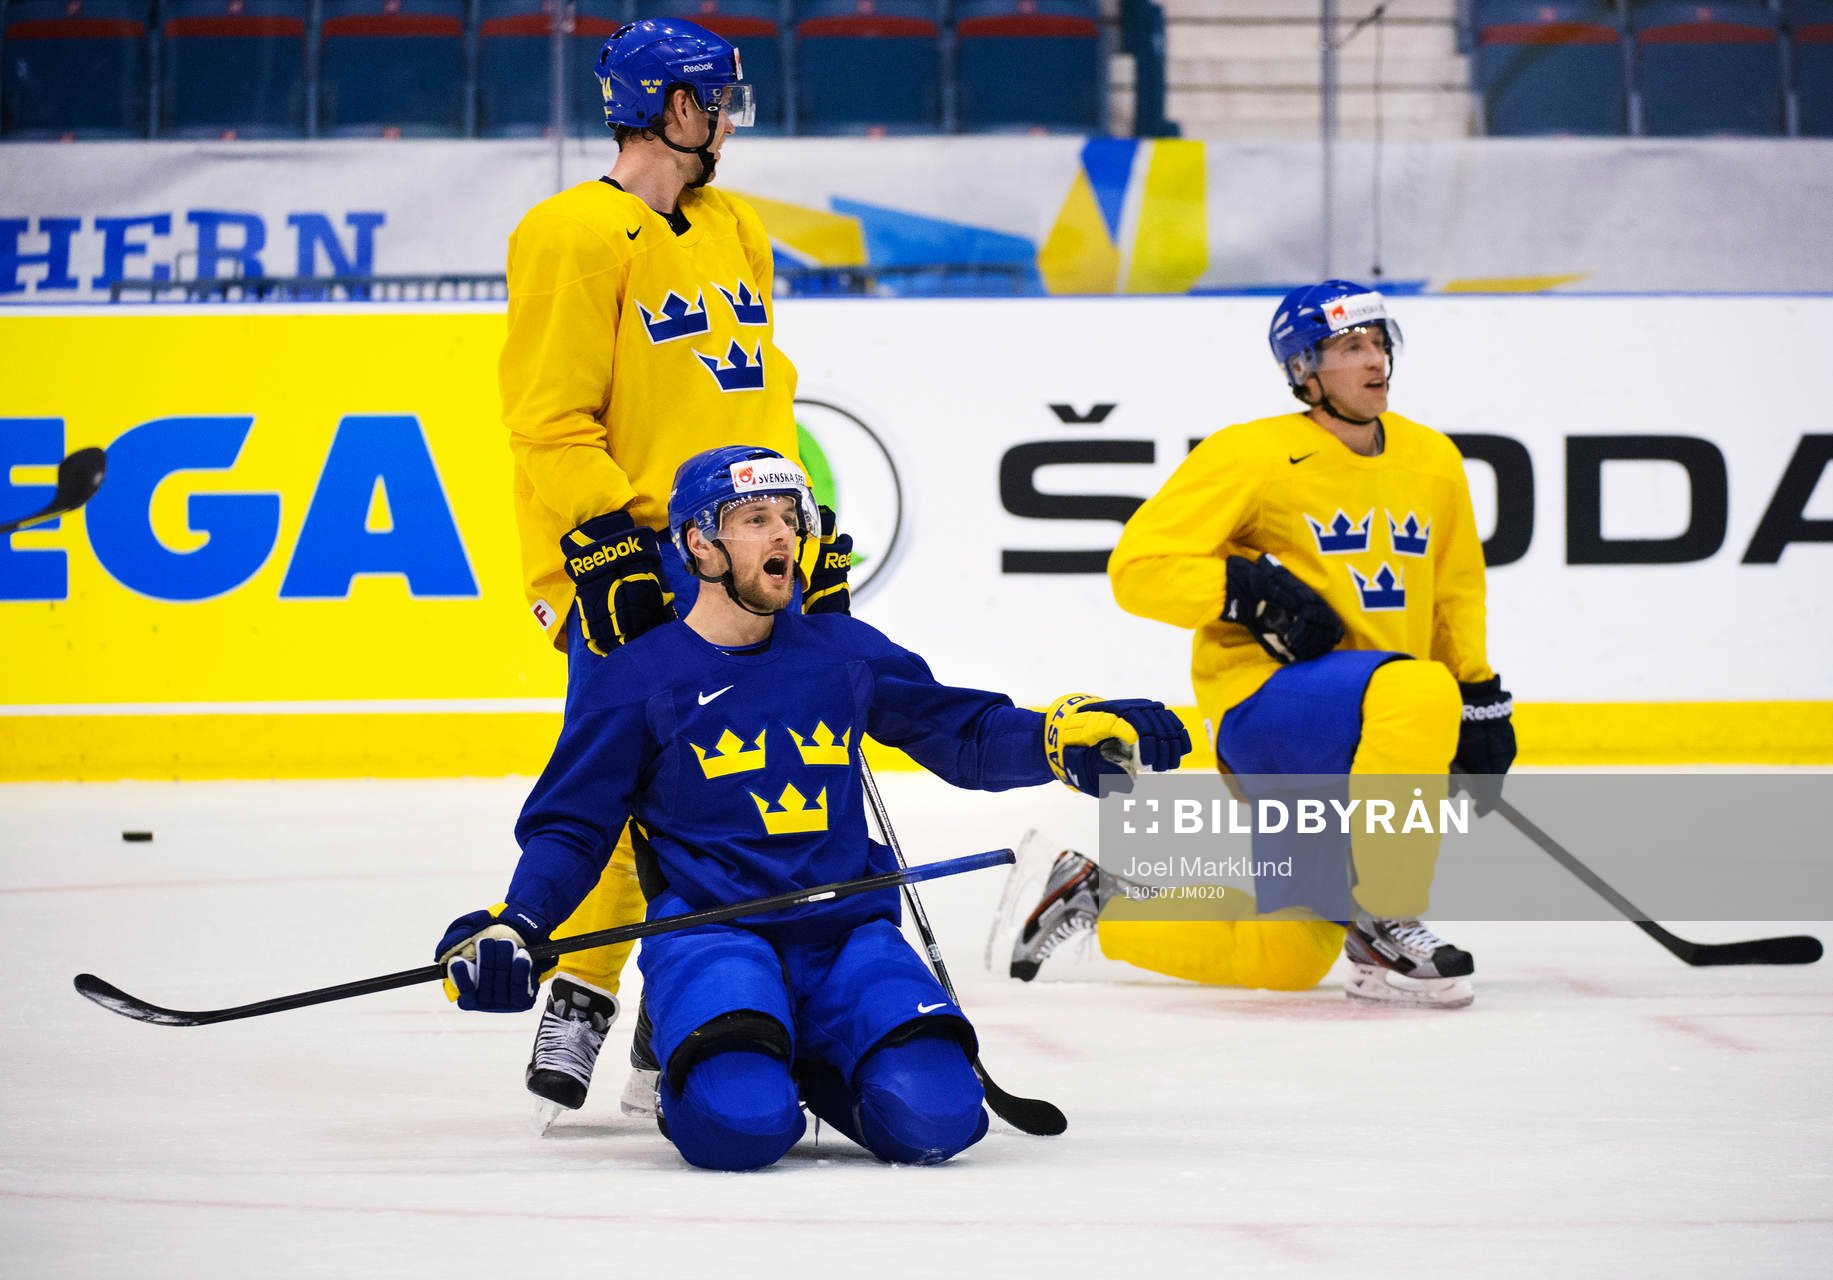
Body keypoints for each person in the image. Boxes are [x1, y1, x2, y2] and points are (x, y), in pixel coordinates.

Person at [435, 446, 1190, 1169]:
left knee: (939, 1119)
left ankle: (811, 1057)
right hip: (712, 934)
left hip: (846, 934)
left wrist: (1060, 740)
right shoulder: (635, 677)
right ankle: (692, 1040)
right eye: (755, 518)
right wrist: (519, 922)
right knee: (738, 1127)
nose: (783, 536)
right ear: (699, 542)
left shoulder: (841, 650)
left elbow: (963, 734)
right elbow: (575, 825)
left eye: (790, 518)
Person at [496, 17, 844, 1121]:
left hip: (736, 541)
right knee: (617, 781)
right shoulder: (569, 233)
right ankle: (585, 988)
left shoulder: (735, 224)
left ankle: (667, 1012)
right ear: (676, 109)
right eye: (719, 102)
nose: (730, 120)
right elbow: (547, 420)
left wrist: (795, 528)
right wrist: (605, 541)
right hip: (632, 552)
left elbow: (760, 392)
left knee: (732, 781)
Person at [999, 281, 1515, 1008]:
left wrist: (1478, 693)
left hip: (1381, 730)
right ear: (1305, 369)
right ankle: (1387, 915)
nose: (1373, 362)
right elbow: (1137, 570)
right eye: (1348, 348)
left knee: (1289, 957)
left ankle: (1097, 898)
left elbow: (1456, 589)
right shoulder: (1253, 453)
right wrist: (1245, 590)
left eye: (1377, 344)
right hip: (1269, 706)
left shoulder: (1432, 460)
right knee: (1416, 687)